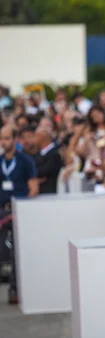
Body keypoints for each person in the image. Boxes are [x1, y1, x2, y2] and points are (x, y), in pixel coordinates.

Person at [0, 125, 38, 304]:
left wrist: (23, 209)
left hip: (19, 210)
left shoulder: (25, 160)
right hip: (2, 209)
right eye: (1, 138)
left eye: (7, 138)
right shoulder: (0, 161)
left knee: (16, 251)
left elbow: (33, 188)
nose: (3, 142)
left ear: (14, 139)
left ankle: (15, 288)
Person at [34, 127, 63, 194]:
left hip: (48, 194)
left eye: (35, 137)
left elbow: (43, 172)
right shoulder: (38, 153)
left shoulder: (54, 154)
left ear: (41, 138)